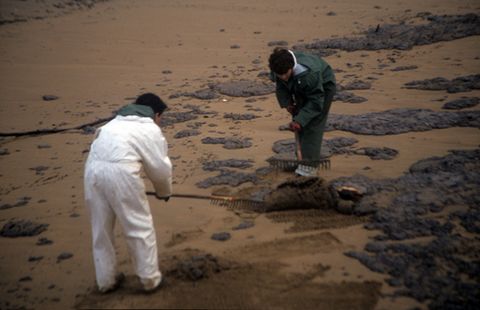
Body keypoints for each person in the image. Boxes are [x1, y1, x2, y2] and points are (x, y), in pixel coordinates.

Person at [84, 93, 172, 293]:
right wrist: (164, 192)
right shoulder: (150, 129)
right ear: (156, 114)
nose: (161, 122)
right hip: (121, 173)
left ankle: (106, 281)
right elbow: (160, 169)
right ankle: (150, 280)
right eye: (161, 118)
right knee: (139, 225)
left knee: (101, 229)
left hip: (92, 170)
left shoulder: (112, 123)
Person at [268, 47, 336, 177]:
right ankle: (302, 158)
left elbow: (316, 102)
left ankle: (308, 167)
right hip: (299, 84)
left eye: (285, 74)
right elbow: (281, 85)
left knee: (312, 124)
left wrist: (300, 120)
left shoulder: (309, 74)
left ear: (292, 67)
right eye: (279, 74)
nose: (282, 77)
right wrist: (287, 102)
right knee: (300, 121)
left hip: (321, 87)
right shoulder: (278, 66)